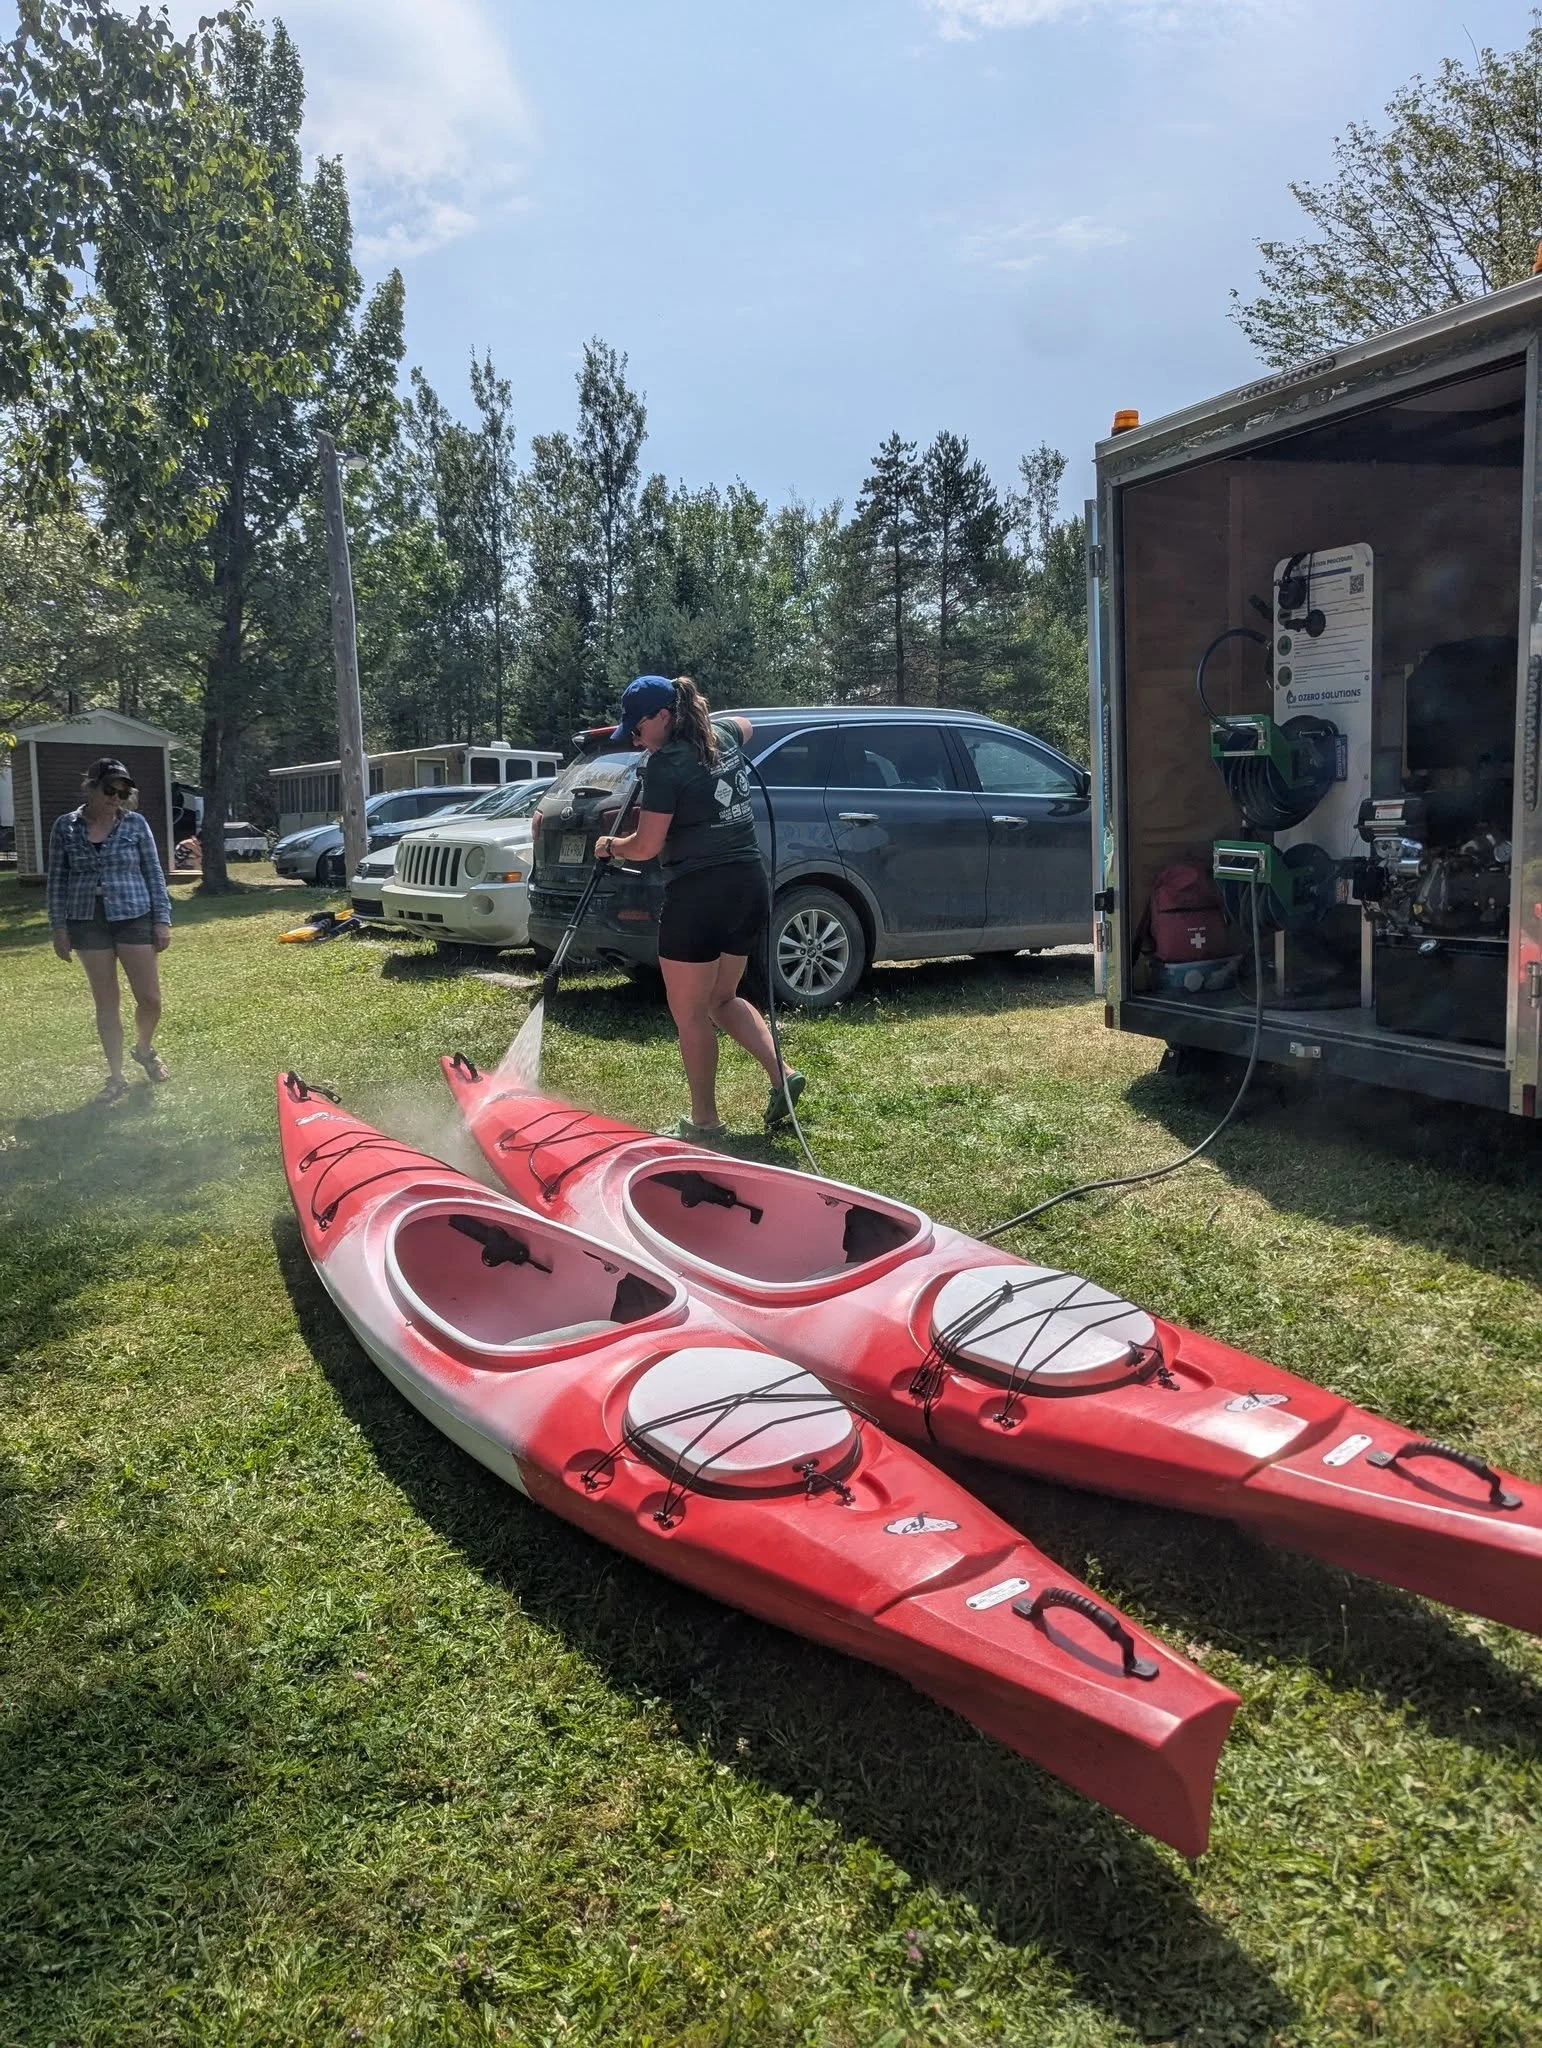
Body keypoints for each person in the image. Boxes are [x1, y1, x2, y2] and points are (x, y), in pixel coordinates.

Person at [596, 674, 804, 1142]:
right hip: (748, 885)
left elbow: (647, 846)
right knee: (721, 998)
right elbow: (746, 725)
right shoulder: (721, 737)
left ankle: (705, 1123)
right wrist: (705, 720)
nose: (633, 737)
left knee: (691, 1013)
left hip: (699, 893)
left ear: (664, 717)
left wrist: (610, 845)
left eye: (637, 727)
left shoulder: (666, 765)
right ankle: (782, 1074)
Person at [46, 757, 174, 1103]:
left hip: (134, 914)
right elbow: (57, 879)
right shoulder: (65, 826)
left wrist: (162, 919)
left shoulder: (135, 824)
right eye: (110, 790)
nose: (117, 797)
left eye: (124, 791)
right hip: (87, 919)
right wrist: (59, 926)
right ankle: (115, 1077)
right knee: (107, 1001)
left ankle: (144, 1049)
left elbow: (154, 872)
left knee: (149, 998)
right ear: (91, 786)